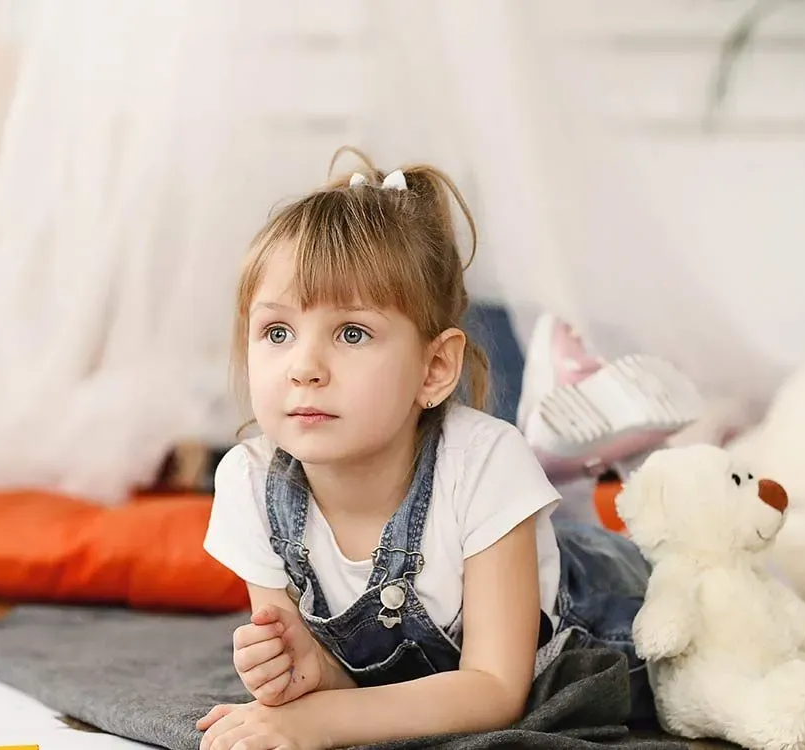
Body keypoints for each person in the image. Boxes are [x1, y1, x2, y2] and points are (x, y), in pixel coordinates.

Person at [197, 148, 682, 750]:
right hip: (482, 573)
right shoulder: (250, 481)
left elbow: (493, 689)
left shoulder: (480, 462)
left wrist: (313, 722)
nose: (304, 368)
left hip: (611, 607)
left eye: (351, 333)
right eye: (277, 332)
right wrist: (306, 670)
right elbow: (346, 687)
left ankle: (577, 487)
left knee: (719, 593)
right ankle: (561, 475)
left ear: (434, 368)